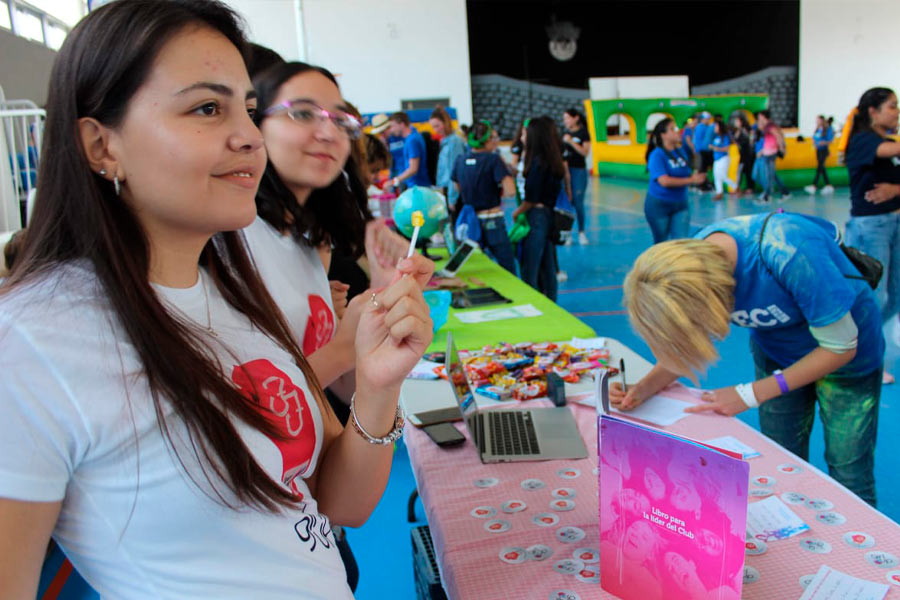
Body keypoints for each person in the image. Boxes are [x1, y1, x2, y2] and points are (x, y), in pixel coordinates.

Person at [0, 3, 434, 598]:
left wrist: (380, 382)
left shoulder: (232, 291)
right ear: (101, 146)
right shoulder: (32, 341)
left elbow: (341, 503)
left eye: (248, 111)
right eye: (207, 108)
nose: (249, 138)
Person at [612, 212, 884, 506]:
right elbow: (688, 340)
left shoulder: (790, 251)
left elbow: (841, 347)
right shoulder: (693, 269)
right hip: (778, 354)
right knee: (783, 460)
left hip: (848, 362)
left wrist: (749, 394)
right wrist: (644, 387)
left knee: (848, 469)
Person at [844, 87, 900, 385]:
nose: (897, 112)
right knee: (872, 297)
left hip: (895, 223)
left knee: (897, 294)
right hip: (870, 228)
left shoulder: (888, 145)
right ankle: (867, 361)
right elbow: (890, 151)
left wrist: (894, 191)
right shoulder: (864, 141)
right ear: (873, 112)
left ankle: (863, 343)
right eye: (892, 106)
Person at [450, 120, 517, 273]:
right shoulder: (493, 160)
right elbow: (511, 190)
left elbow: (456, 187)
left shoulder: (460, 160)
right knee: (507, 268)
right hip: (492, 219)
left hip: (470, 221)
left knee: (475, 269)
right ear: (486, 140)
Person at [512, 116, 565, 301]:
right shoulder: (550, 159)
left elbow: (532, 198)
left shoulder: (537, 163)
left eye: (526, 133)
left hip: (537, 217)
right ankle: (551, 303)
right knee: (547, 265)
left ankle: (535, 305)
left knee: (531, 266)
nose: (522, 136)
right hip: (547, 215)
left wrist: (517, 212)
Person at [643, 118, 706, 243]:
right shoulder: (657, 155)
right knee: (661, 244)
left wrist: (695, 175)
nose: (677, 131)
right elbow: (664, 181)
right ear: (663, 135)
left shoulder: (681, 152)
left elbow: (685, 171)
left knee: (680, 243)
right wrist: (691, 180)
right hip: (659, 205)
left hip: (680, 204)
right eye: (672, 129)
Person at [562, 108, 591, 245]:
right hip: (566, 170)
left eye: (568, 118)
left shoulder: (583, 133)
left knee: (578, 202)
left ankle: (581, 233)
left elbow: (585, 152)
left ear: (576, 118)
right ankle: (567, 233)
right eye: (564, 119)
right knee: (567, 202)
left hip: (579, 171)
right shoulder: (565, 134)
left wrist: (571, 142)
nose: (566, 121)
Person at [430, 106, 467, 210]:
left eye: (437, 126)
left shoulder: (454, 142)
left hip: (454, 191)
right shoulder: (444, 142)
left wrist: (452, 198)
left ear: (445, 123)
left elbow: (454, 170)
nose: (436, 130)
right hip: (445, 189)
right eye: (433, 127)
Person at [386, 111, 431, 189]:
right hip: (416, 185)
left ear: (402, 124)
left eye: (392, 126)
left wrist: (393, 181)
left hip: (417, 186)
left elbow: (413, 168)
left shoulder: (412, 140)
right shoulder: (412, 137)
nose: (391, 130)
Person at [754, 110, 790, 204]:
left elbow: (778, 135)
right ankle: (784, 192)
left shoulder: (770, 126)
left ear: (763, 116)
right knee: (772, 174)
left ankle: (767, 196)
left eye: (760, 116)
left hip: (771, 153)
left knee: (769, 175)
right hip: (767, 152)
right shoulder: (766, 127)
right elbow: (769, 140)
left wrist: (782, 147)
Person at [806, 115, 835, 195]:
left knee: (820, 166)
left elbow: (830, 140)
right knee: (821, 167)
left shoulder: (828, 129)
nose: (817, 122)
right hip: (818, 149)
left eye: (818, 120)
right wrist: (814, 141)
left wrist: (823, 142)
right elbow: (815, 137)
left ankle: (814, 185)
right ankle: (828, 185)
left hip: (824, 150)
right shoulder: (818, 129)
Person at [710, 116, 736, 200]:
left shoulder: (724, 137)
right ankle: (719, 192)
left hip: (723, 158)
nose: (715, 128)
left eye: (716, 126)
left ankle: (735, 187)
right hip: (716, 159)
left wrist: (716, 148)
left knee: (722, 176)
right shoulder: (716, 137)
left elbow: (727, 148)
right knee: (716, 176)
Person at [732, 114, 755, 197]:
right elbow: (734, 141)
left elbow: (749, 141)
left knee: (748, 172)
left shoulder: (746, 130)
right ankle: (738, 188)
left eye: (737, 121)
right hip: (740, 155)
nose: (735, 123)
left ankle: (749, 188)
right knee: (739, 173)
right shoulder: (736, 131)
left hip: (747, 155)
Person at [693, 112, 714, 191]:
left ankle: (702, 183)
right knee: (701, 168)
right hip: (701, 151)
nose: (708, 120)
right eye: (707, 119)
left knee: (702, 168)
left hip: (703, 151)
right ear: (703, 119)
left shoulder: (703, 127)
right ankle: (699, 184)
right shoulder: (701, 127)